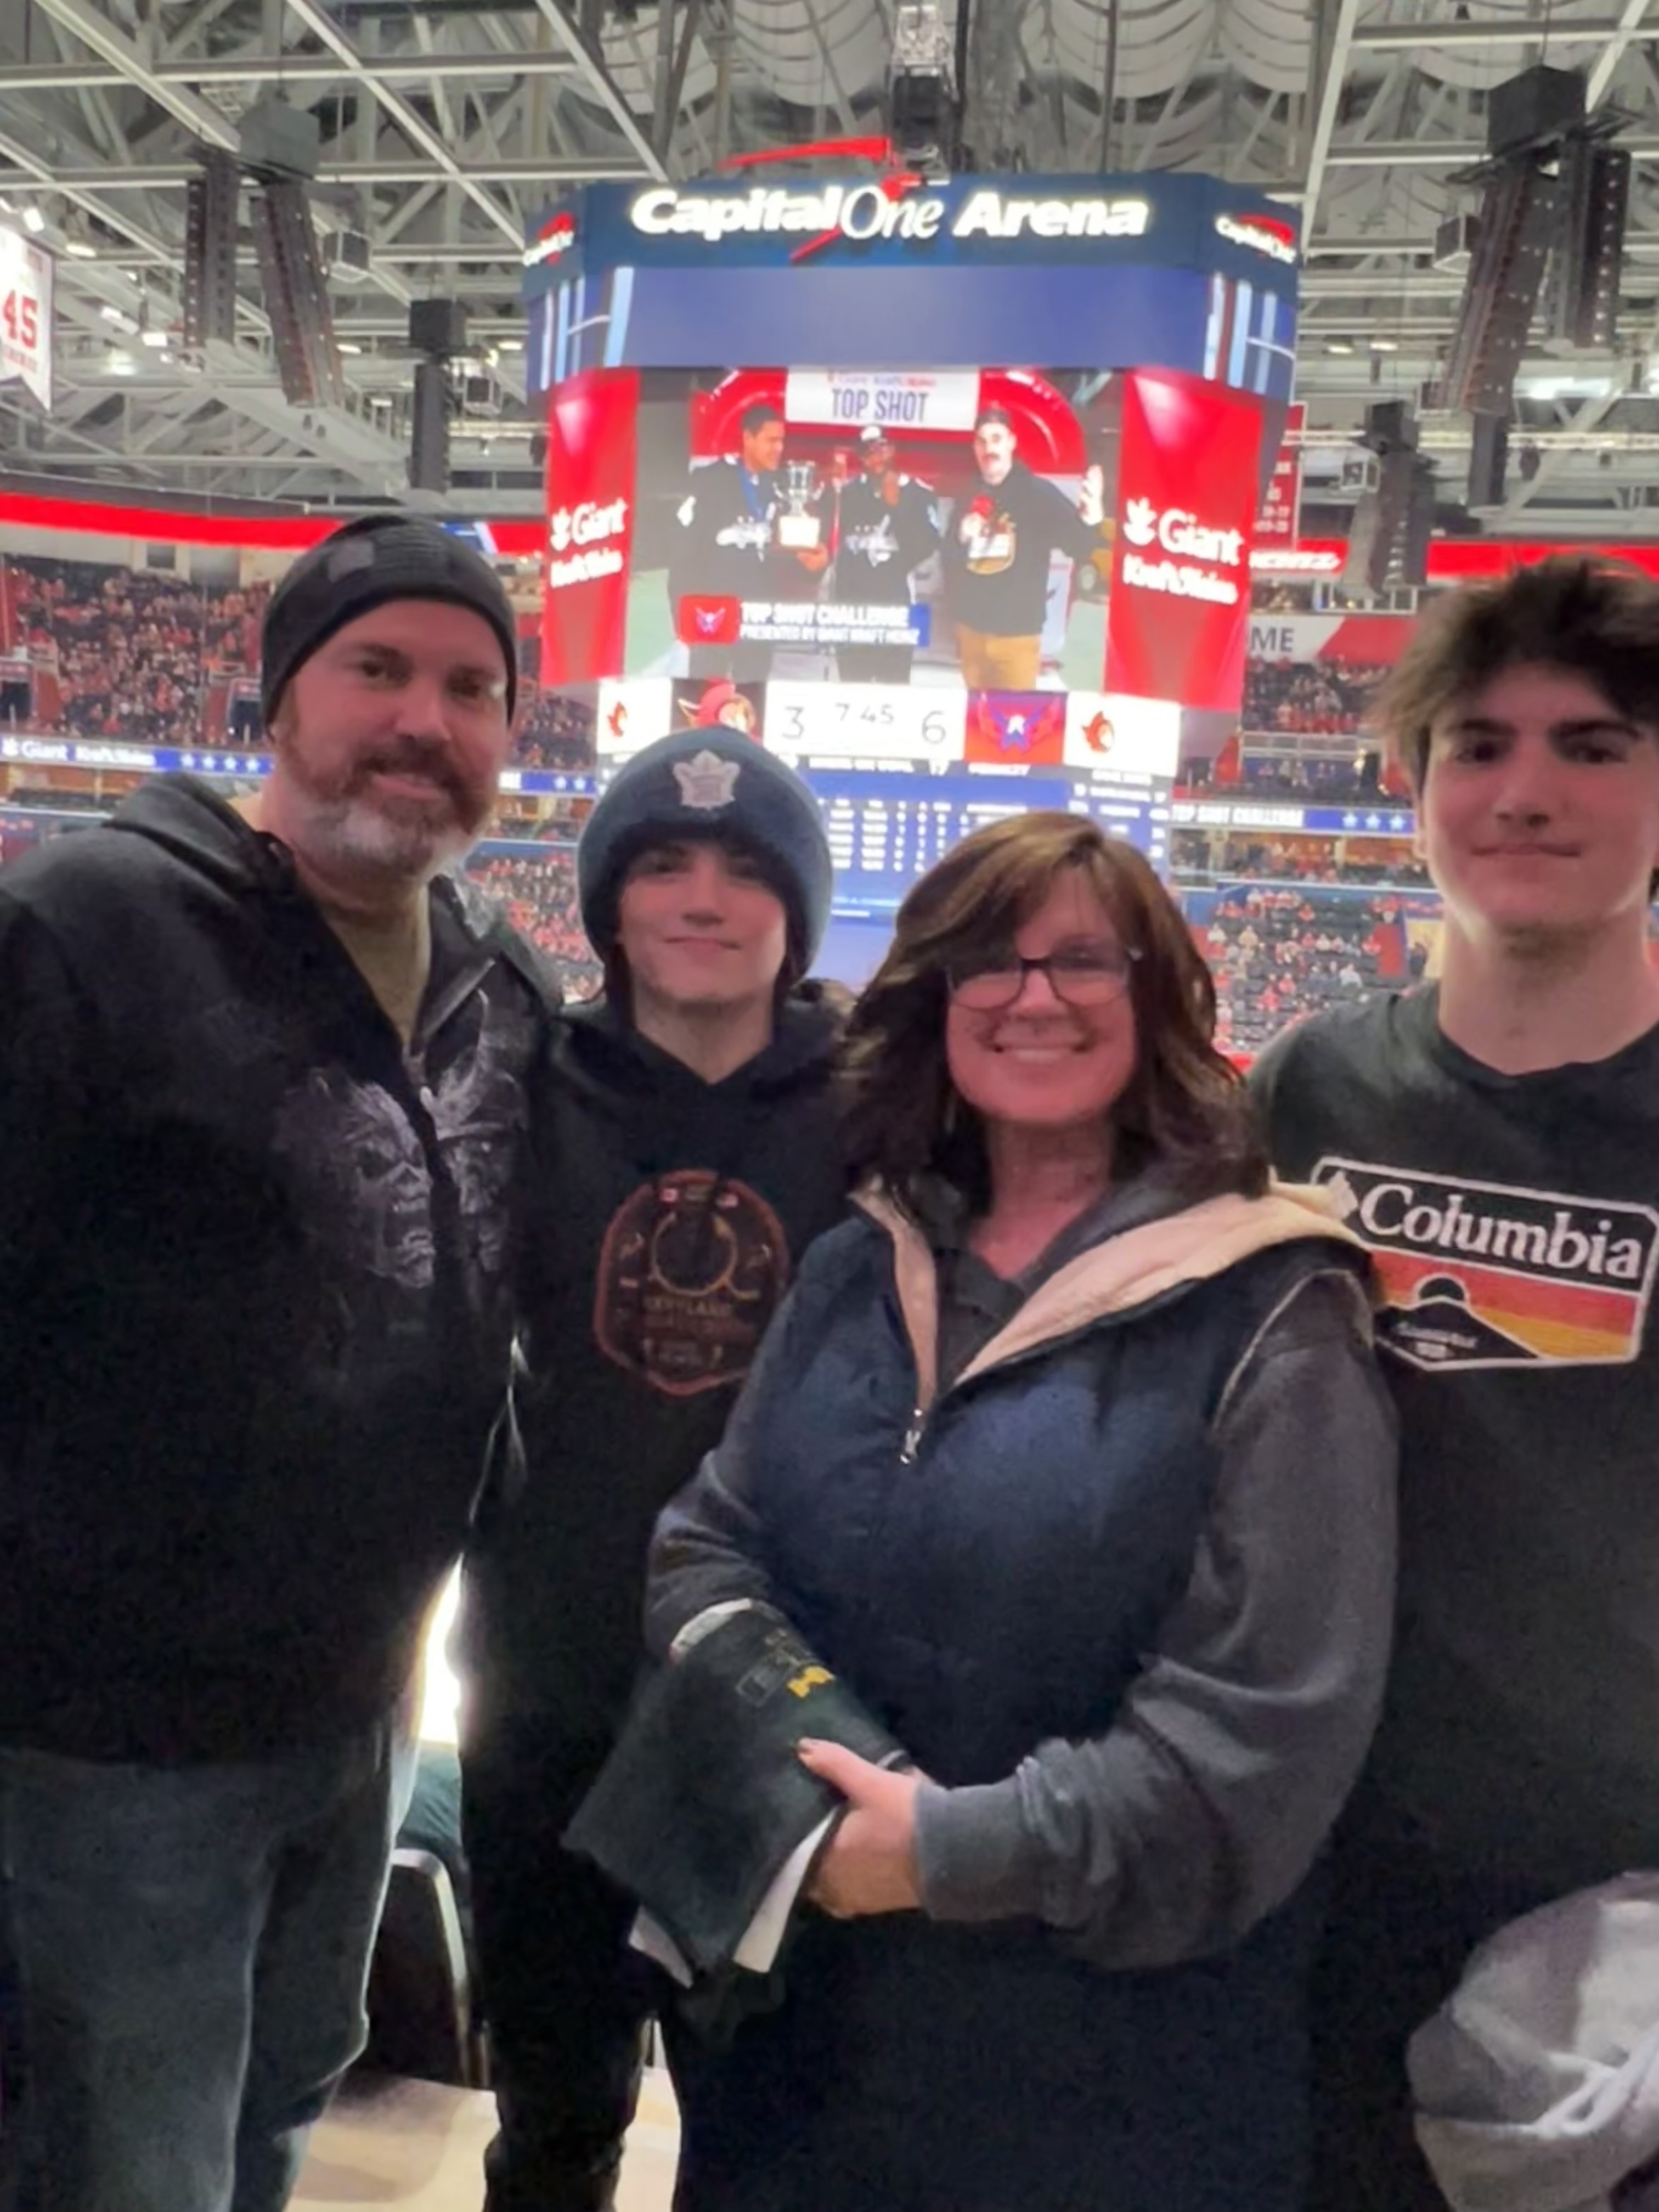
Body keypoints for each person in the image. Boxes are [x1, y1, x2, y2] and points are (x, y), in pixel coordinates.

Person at [641, 811, 1398, 2211]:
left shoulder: (1274, 1309)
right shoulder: (858, 1264)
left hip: (1110, 2082)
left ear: (1156, 997)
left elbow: (1259, 1745)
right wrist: (816, 1787)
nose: (1033, 997)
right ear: (933, 1001)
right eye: (989, 961)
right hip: (806, 2038)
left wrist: (944, 1851)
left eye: (1083, 961)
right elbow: (706, 1545)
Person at [0, 512, 552, 2212]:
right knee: (133, 2160)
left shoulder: (498, 981)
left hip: (363, 1705)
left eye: (470, 689)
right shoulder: (85, 926)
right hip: (116, 1738)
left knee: (278, 2110)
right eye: (377, 670)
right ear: (281, 698)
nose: (423, 722)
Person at [1250, 558, 1659, 2212]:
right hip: (1327, 1865)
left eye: (1593, 746)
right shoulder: (1309, 1089)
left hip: (1613, 1886)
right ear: (1413, 782)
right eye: (1479, 745)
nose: (1526, 791)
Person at [458, 726, 850, 2212]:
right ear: (609, 907)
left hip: (776, 1709)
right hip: (546, 1689)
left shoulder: (885, 1107)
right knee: (551, 2121)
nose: (702, 898)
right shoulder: (525, 1083)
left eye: (746, 870)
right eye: (664, 864)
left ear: (796, 916)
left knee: (761, 2134)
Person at [943, 406, 1105, 690]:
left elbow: (1079, 545)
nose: (989, 449)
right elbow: (948, 559)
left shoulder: (1038, 495)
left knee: (1015, 717)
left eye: (996, 439)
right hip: (971, 635)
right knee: (977, 717)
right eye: (982, 441)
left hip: (1016, 640)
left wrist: (1092, 513)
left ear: (1011, 443)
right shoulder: (968, 495)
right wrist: (960, 537)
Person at [669, 403, 829, 681]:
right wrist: (681, 614)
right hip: (712, 612)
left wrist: (815, 565)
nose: (779, 448)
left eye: (782, 441)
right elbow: (683, 554)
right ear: (748, 438)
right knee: (704, 697)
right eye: (771, 441)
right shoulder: (711, 481)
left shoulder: (781, 488)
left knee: (752, 698)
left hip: (759, 615)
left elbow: (791, 556)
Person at [829, 425, 940, 684]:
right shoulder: (847, 494)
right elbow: (830, 540)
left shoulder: (917, 493)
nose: (876, 458)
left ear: (893, 450)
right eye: (868, 452)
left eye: (882, 449)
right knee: (852, 688)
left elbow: (925, 548)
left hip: (896, 610)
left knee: (894, 690)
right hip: (852, 611)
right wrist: (830, 493)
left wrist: (897, 508)